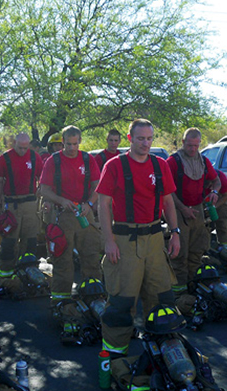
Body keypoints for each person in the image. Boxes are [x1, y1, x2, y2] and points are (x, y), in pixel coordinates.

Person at [96, 118, 181, 358]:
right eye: (141, 138)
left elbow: (168, 202)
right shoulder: (114, 165)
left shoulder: (160, 165)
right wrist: (109, 240)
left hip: (155, 238)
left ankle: (162, 353)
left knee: (162, 298)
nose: (146, 143)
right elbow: (103, 204)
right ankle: (114, 357)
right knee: (122, 302)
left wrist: (175, 234)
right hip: (124, 240)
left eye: (149, 138)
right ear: (130, 138)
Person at [40, 125, 103, 304]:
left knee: (91, 256)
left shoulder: (88, 159)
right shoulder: (54, 161)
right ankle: (62, 302)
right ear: (63, 142)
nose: (71, 148)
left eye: (75, 144)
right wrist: (61, 200)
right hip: (63, 216)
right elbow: (44, 190)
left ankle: (94, 297)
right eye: (68, 144)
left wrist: (89, 204)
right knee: (62, 260)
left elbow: (97, 186)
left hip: (85, 214)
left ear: (80, 141)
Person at [167, 128, 220, 295]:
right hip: (178, 210)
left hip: (197, 211)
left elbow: (216, 181)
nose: (192, 149)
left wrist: (214, 192)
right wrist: (183, 209)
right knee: (179, 254)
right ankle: (179, 294)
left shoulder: (204, 161)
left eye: (196, 146)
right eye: (189, 145)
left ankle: (192, 287)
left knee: (197, 251)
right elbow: (167, 192)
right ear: (183, 143)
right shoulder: (173, 162)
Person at [0, 133, 44, 279]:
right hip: (12, 205)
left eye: (25, 148)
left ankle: (28, 272)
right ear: (14, 143)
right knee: (9, 241)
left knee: (30, 241)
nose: (22, 151)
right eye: (20, 147)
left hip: (30, 204)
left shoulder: (34, 157)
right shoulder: (5, 158)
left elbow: (43, 178)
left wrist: (42, 195)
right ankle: (5, 275)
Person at [211, 169, 227, 248]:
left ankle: (226, 249)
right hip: (201, 201)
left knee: (222, 222)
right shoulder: (197, 178)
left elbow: (226, 196)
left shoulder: (221, 177)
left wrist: (214, 207)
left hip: (219, 202)